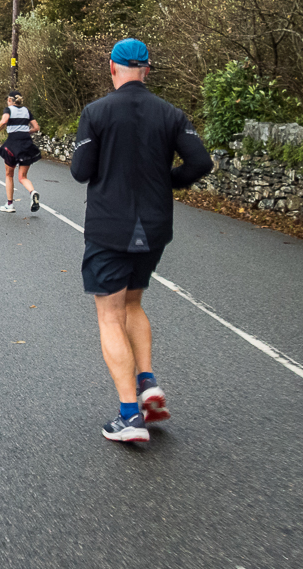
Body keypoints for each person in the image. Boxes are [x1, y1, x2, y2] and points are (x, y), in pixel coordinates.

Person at [70, 38, 212, 443]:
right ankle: (147, 381)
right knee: (133, 302)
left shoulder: (96, 112)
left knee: (110, 315)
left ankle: (130, 416)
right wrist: (166, 182)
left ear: (112, 68)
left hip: (109, 227)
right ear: (147, 70)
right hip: (154, 228)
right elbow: (200, 162)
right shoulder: (170, 113)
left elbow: (81, 171)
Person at [0, 91, 42, 213]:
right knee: (22, 177)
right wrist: (25, 131)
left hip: (12, 145)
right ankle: (33, 192)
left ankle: (10, 204)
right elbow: (36, 128)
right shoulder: (26, 110)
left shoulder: (8, 110)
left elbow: (4, 121)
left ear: (10, 100)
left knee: (9, 175)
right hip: (26, 145)